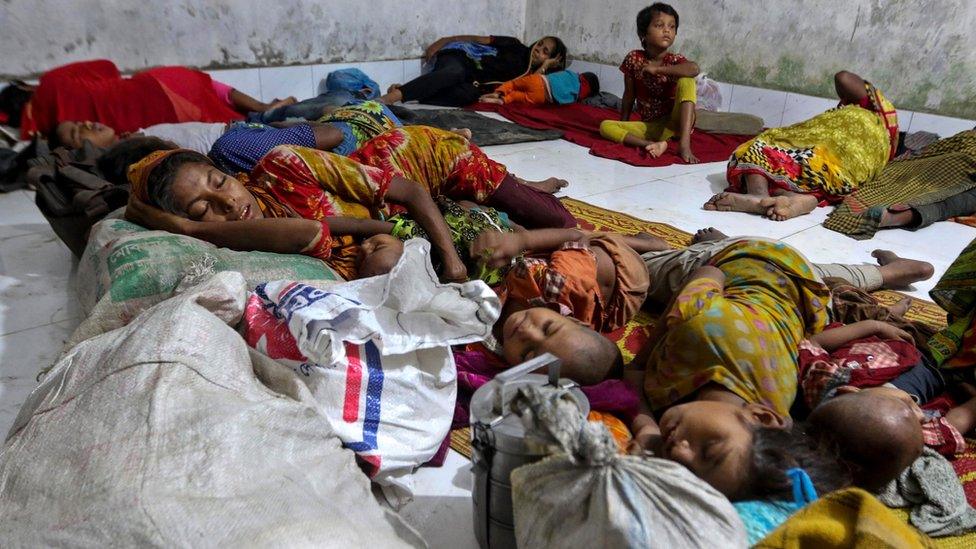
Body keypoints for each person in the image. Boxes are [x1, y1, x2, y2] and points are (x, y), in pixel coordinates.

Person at [626, 238, 852, 499]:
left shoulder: (775, 422)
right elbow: (710, 273)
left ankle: (881, 273)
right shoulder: (701, 327)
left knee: (825, 278)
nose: (678, 453)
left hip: (810, 294)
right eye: (709, 449)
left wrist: (648, 429)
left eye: (683, 469)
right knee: (635, 269)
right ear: (762, 417)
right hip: (751, 256)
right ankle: (697, 242)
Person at [124, 147, 466, 282]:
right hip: (394, 231)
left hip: (408, 161)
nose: (227, 203)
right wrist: (189, 229)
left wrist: (452, 262)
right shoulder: (241, 244)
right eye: (202, 209)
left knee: (507, 203)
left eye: (220, 182)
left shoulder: (285, 166)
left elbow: (411, 191)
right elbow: (308, 232)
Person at [799, 318, 976, 489]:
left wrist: (874, 326)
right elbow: (959, 419)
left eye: (908, 409)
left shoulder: (824, 382)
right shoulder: (901, 442)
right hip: (941, 374)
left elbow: (814, 343)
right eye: (917, 422)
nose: (921, 416)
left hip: (889, 343)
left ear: (849, 391)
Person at [705, 70, 899, 221]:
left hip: (828, 150)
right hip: (836, 169)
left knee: (762, 145)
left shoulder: (873, 109)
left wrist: (871, 92)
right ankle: (796, 198)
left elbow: (843, 77)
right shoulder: (886, 142)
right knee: (808, 166)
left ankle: (758, 194)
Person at [52, 100, 404, 174]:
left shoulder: (230, 150)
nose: (85, 123)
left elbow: (333, 135)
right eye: (75, 132)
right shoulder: (233, 167)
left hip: (367, 125)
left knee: (344, 102)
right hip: (362, 129)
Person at [15, 59, 294, 139]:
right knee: (206, 86)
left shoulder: (48, 133)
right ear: (25, 90)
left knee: (234, 126)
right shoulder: (50, 82)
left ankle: (270, 117)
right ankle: (266, 109)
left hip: (150, 118)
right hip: (148, 88)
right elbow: (106, 66)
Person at [824, 130, 976, 239]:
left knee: (896, 177)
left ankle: (886, 211)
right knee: (944, 204)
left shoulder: (967, 135)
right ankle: (892, 217)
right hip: (959, 165)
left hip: (940, 159)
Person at [599, 3, 701, 163]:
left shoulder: (676, 61)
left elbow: (694, 68)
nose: (667, 30)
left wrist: (657, 70)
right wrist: (623, 124)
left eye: (672, 27)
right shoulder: (634, 59)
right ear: (643, 34)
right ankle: (652, 145)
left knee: (687, 80)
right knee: (605, 126)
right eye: (659, 25)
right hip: (652, 127)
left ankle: (684, 144)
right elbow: (628, 95)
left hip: (677, 123)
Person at [380, 35, 567, 107]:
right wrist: (444, 40)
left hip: (472, 81)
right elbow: (479, 39)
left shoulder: (530, 76)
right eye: (540, 44)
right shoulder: (514, 44)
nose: (538, 49)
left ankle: (410, 90)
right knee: (455, 73)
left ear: (552, 60)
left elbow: (529, 86)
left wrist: (544, 67)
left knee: (467, 96)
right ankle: (390, 98)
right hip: (462, 57)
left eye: (545, 52)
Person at [478, 70, 600, 105]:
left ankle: (499, 91)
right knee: (516, 96)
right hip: (542, 97)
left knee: (513, 84)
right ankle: (501, 100)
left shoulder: (572, 74)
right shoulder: (581, 92)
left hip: (539, 80)